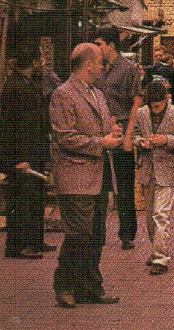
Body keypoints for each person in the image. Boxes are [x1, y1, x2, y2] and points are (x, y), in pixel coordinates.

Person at [49, 43, 123, 309]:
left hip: (100, 173)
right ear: (88, 63)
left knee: (96, 235)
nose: (103, 67)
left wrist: (112, 131)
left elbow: (101, 127)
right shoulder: (64, 94)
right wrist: (100, 142)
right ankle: (65, 284)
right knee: (79, 234)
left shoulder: (97, 94)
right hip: (76, 175)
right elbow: (64, 136)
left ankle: (91, 286)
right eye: (101, 63)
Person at [0, 38, 53, 259]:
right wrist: (18, 158)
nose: (44, 62)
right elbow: (14, 127)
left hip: (33, 149)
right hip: (22, 151)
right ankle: (18, 244)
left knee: (35, 196)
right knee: (22, 198)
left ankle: (34, 240)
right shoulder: (16, 86)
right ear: (34, 61)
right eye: (41, 58)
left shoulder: (28, 83)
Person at [133, 80, 174, 274]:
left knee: (161, 215)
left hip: (167, 169)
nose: (155, 109)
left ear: (166, 100)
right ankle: (156, 249)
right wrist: (140, 141)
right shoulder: (141, 114)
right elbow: (134, 134)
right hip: (148, 169)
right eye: (152, 106)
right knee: (150, 217)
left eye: (158, 105)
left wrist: (166, 140)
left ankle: (161, 257)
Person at [93, 27, 143, 250]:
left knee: (124, 184)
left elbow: (136, 102)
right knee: (100, 184)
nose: (97, 48)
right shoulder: (96, 69)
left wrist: (129, 134)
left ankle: (127, 233)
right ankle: (98, 233)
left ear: (111, 45)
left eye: (100, 44)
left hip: (121, 129)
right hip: (100, 131)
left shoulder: (128, 69)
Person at [144, 44, 174, 109]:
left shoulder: (172, 70)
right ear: (153, 57)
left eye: (160, 55)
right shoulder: (149, 70)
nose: (158, 57)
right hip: (153, 101)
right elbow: (145, 86)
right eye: (156, 56)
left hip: (168, 100)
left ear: (164, 56)